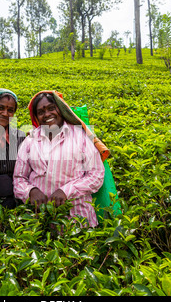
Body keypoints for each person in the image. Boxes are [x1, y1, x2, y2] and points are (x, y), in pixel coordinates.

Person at [13, 90, 106, 227]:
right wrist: (30, 191)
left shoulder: (80, 137)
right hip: (39, 221)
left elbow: (96, 175)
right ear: (37, 117)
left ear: (61, 110)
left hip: (78, 220)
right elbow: (18, 178)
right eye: (41, 112)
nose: (47, 114)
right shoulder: (30, 140)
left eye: (51, 108)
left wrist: (66, 191)